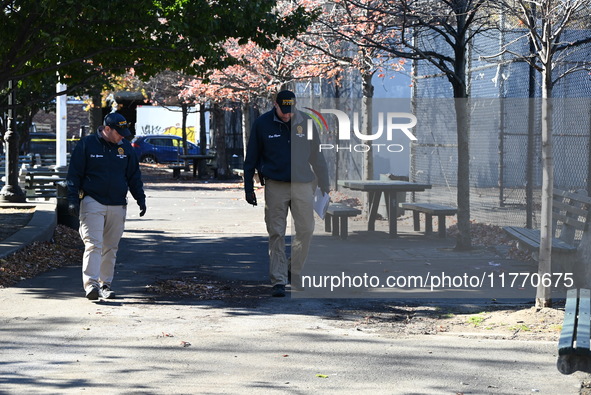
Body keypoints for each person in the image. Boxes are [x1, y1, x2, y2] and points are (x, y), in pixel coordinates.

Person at [243, 90, 329, 297]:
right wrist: (248, 186)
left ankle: (294, 270)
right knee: (276, 232)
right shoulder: (262, 124)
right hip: (276, 185)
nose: (287, 115)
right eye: (284, 111)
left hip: (303, 184)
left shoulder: (307, 122)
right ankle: (279, 280)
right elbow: (251, 157)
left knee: (306, 230)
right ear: (276, 104)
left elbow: (317, 155)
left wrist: (325, 184)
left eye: (291, 111)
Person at [66, 112, 146, 300]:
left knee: (111, 246)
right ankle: (91, 285)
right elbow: (74, 175)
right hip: (92, 200)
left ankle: (105, 285)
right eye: (119, 132)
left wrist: (140, 199)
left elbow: (134, 176)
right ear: (106, 129)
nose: (122, 136)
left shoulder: (125, 147)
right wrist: (72, 200)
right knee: (94, 244)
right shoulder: (87, 144)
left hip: (117, 202)